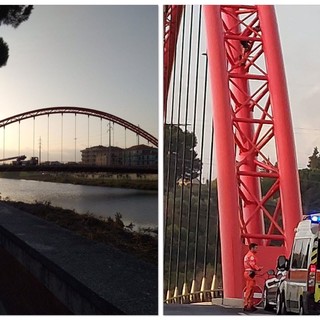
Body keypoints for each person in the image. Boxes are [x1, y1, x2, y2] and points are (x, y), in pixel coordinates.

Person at [243, 243, 263, 312]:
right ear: (252, 248)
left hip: (248, 273)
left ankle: (249, 304)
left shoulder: (247, 255)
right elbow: (252, 264)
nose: (257, 249)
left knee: (250, 288)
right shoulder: (251, 256)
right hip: (250, 273)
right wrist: (258, 268)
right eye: (256, 248)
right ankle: (247, 305)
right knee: (250, 289)